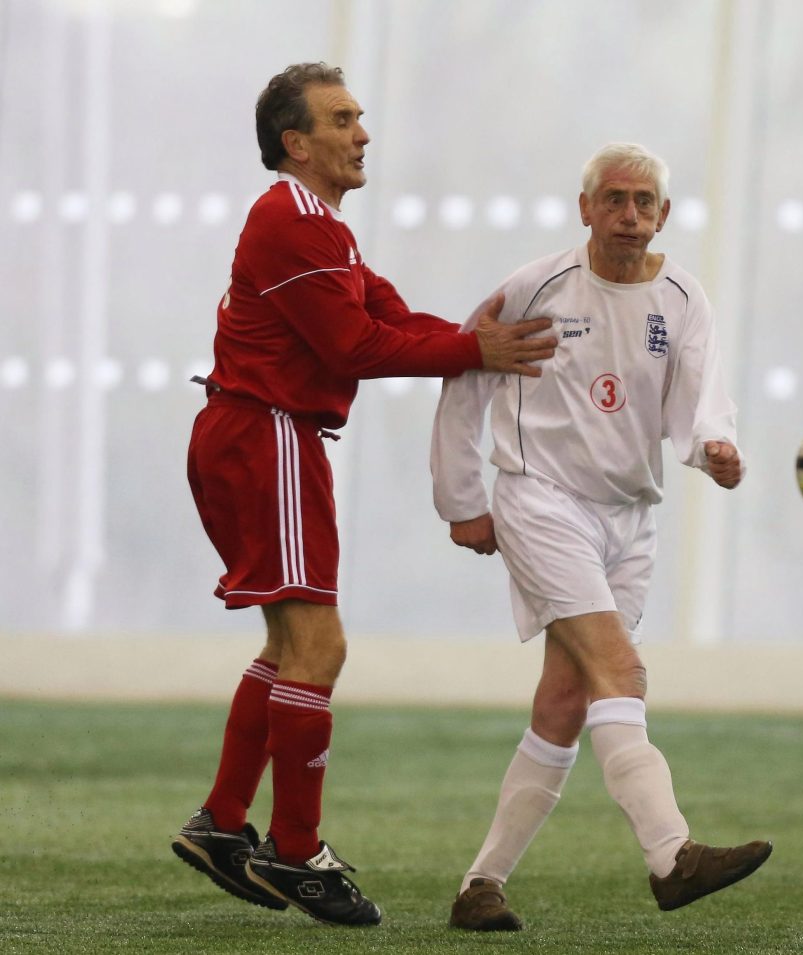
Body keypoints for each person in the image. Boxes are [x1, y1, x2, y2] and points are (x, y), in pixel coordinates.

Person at [171, 62, 556, 928]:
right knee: (320, 644)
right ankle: (297, 851)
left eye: (360, 116)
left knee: (288, 644)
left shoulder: (319, 226)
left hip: (260, 433)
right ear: (294, 143)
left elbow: (386, 314)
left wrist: (470, 340)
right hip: (266, 435)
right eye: (342, 119)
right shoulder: (292, 218)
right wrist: (474, 352)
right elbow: (353, 345)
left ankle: (224, 823)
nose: (362, 133)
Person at [430, 142, 772, 931]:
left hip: (630, 515)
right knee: (620, 668)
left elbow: (699, 399)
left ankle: (478, 884)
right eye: (613, 199)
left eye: (642, 201)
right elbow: (464, 376)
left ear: (663, 215)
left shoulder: (684, 296)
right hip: (541, 500)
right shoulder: (534, 288)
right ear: (584, 207)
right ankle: (670, 854)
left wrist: (712, 447)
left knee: (562, 701)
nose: (627, 215)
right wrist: (461, 498)